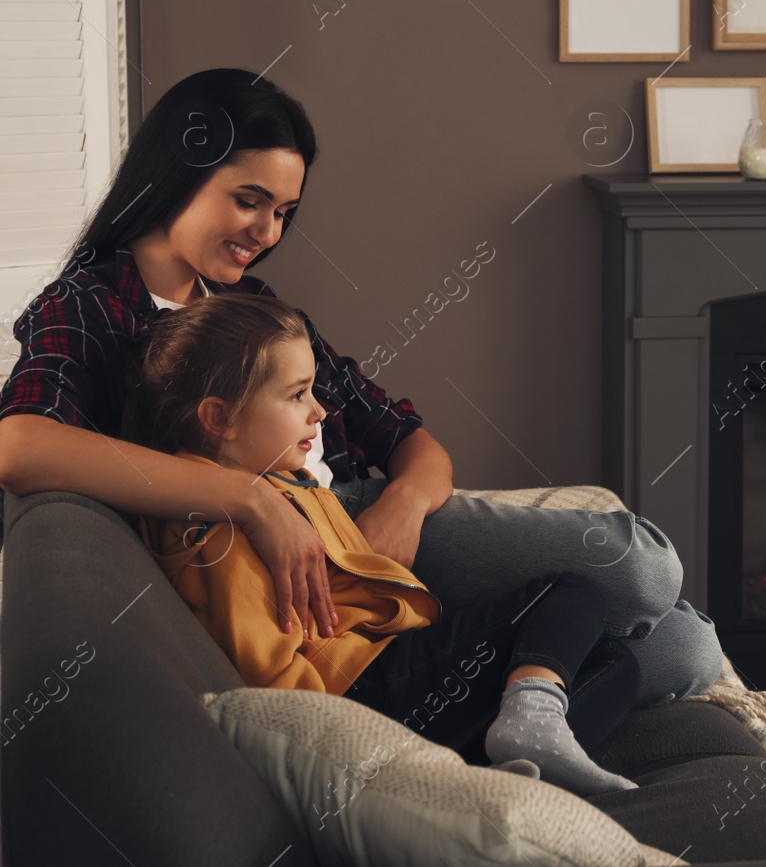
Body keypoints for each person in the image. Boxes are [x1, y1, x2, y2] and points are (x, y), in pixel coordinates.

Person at [0, 67, 724, 711]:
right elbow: (20, 443)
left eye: (283, 211)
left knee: (674, 623)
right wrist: (252, 499)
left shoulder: (255, 305)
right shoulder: (92, 304)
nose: (266, 230)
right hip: (301, 554)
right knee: (649, 580)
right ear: (177, 173)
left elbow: (413, 440)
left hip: (364, 527)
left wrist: (403, 507)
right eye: (249, 200)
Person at [125, 293, 638, 795]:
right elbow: (268, 674)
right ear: (220, 420)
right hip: (359, 694)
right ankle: (516, 744)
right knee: (570, 593)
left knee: (617, 661)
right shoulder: (217, 528)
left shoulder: (279, 481)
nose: (320, 412)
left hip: (381, 673)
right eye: (297, 394)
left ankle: (504, 774)